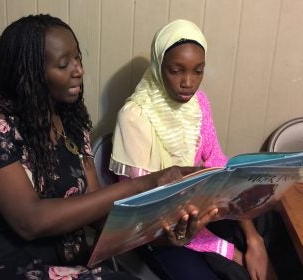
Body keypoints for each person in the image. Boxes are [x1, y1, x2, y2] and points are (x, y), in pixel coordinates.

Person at [0, 15, 218, 279]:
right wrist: (146, 183)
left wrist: (162, 234)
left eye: (78, 58)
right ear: (28, 72)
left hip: (64, 263)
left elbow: (100, 218)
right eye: (64, 64)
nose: (79, 70)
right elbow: (29, 220)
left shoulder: (71, 121)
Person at [110, 19, 281, 280]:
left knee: (271, 226)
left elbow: (221, 168)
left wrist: (253, 239)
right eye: (176, 70)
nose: (188, 82)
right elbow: (145, 213)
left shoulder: (198, 104)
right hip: (160, 233)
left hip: (203, 210)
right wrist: (227, 251)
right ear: (158, 67)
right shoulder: (134, 117)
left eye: (198, 71)